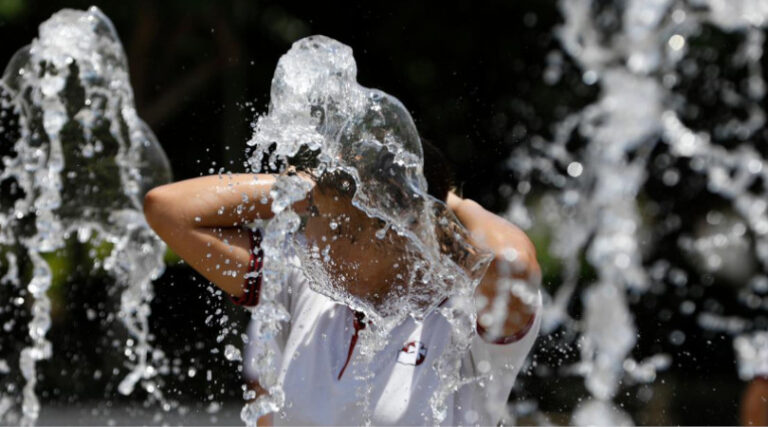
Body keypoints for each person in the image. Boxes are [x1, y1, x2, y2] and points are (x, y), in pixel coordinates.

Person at [143, 140, 542, 425]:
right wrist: (304, 189)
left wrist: (444, 203)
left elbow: (514, 265)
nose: (313, 238)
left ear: (397, 234)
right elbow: (169, 210)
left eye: (338, 229)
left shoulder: (461, 317)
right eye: (313, 215)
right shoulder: (305, 283)